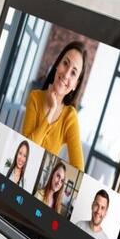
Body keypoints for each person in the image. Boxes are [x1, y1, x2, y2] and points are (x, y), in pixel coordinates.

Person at [21, 41, 87, 171]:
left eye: (73, 73)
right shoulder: (35, 97)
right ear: (57, 64)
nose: (66, 74)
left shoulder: (70, 116)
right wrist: (51, 112)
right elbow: (26, 148)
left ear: (75, 85)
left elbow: (79, 169)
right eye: (65, 63)